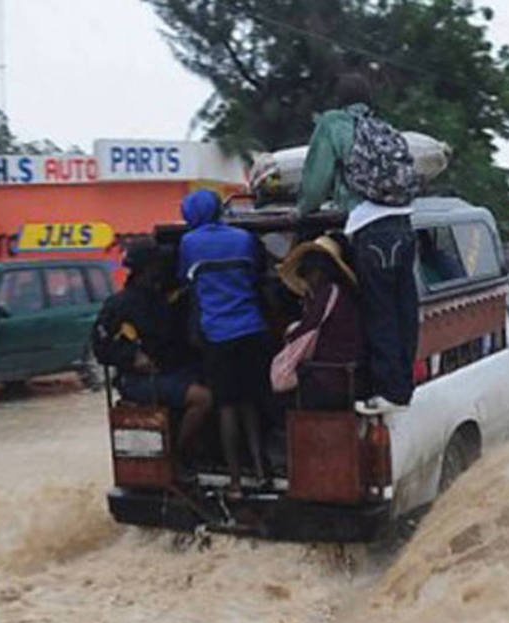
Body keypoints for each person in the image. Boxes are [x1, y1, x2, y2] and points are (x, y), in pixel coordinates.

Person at [297, 72, 419, 414]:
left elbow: (316, 182)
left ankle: (386, 392)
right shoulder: (380, 128)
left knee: (378, 312)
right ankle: (402, 387)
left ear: (338, 98)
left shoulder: (332, 125)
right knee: (403, 310)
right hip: (403, 226)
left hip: (370, 230)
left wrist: (303, 210)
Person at [177, 189, 270, 499]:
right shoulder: (243, 238)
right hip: (253, 330)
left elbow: (185, 282)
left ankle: (235, 481)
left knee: (226, 406)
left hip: (218, 335)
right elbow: (257, 273)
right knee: (250, 402)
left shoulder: (189, 243)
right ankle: (260, 471)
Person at [93, 238, 212, 466]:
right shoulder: (119, 305)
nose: (162, 267)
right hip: (141, 378)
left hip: (175, 370)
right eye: (157, 263)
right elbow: (101, 345)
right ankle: (177, 457)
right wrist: (132, 357)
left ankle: (204, 451)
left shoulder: (170, 298)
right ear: (147, 269)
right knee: (204, 399)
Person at [275, 234, 366, 409]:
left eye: (309, 273)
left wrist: (290, 335)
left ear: (321, 271)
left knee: (281, 397)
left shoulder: (330, 292)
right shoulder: (336, 293)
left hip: (334, 376)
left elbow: (308, 328)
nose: (308, 280)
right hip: (339, 373)